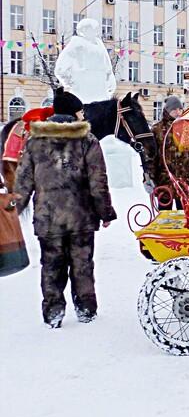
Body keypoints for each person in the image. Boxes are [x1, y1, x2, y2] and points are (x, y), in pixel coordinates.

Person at [14, 87, 116, 328]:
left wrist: (14, 209)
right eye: (81, 111)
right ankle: (86, 309)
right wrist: (105, 212)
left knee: (51, 266)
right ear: (73, 113)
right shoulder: (87, 141)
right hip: (80, 217)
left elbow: (23, 179)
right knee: (82, 265)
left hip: (47, 218)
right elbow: (98, 181)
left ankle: (53, 312)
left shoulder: (34, 141)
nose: (83, 116)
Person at [146, 96, 189, 209]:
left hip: (185, 181)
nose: (178, 112)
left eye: (180, 109)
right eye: (174, 109)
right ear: (167, 110)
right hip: (164, 181)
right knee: (164, 218)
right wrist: (148, 178)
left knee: (186, 217)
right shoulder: (157, 130)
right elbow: (150, 157)